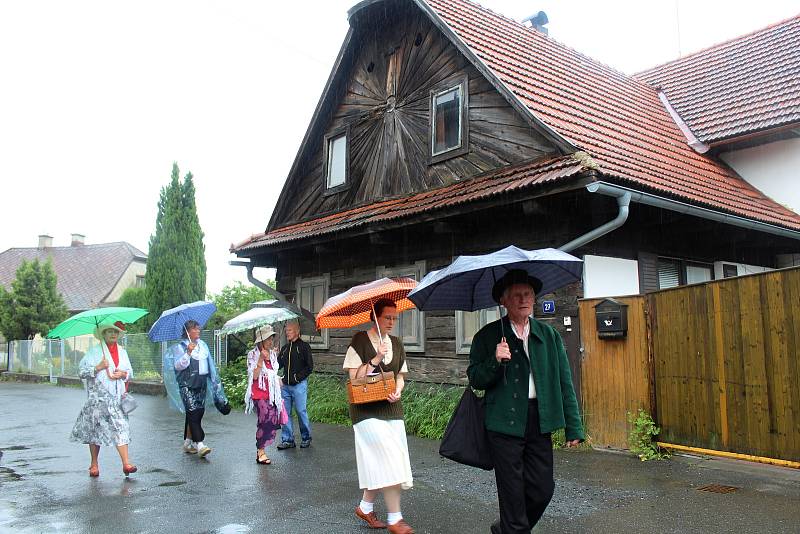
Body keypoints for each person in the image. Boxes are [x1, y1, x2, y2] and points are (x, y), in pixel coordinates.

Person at [468, 269, 585, 534]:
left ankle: (507, 529)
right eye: (517, 295)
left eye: (528, 294)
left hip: (539, 420)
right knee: (511, 494)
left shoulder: (549, 335)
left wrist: (573, 426)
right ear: (504, 301)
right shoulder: (487, 337)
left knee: (542, 490)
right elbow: (475, 378)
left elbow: (565, 382)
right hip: (504, 425)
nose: (524, 299)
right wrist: (494, 361)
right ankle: (513, 528)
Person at [343, 298, 414, 534]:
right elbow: (355, 378)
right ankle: (396, 519)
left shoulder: (397, 342)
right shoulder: (359, 341)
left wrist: (397, 390)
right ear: (375, 317)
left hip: (391, 409)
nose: (392, 322)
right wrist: (375, 358)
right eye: (387, 317)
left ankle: (365, 506)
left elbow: (400, 375)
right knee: (390, 458)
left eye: (395, 318)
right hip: (365, 411)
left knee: (384, 459)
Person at [70, 321, 137, 477]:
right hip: (98, 398)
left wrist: (123, 374)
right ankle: (94, 464)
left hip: (116, 397)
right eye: (109, 332)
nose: (113, 334)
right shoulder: (94, 352)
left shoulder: (122, 352)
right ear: (103, 335)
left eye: (115, 332)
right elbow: (81, 372)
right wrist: (97, 367)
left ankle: (126, 463)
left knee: (121, 427)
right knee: (96, 430)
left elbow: (130, 372)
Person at [167, 319, 227, 458]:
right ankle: (200, 444)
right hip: (187, 385)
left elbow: (209, 364)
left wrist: (215, 381)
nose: (198, 331)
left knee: (197, 412)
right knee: (193, 412)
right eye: (195, 329)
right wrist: (187, 353)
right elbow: (177, 366)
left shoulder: (203, 345)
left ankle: (188, 442)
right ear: (188, 331)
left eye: (198, 328)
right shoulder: (180, 347)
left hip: (201, 383)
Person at [244, 324, 284, 465]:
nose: (270, 341)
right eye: (268, 338)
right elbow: (254, 376)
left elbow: (273, 373)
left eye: (271, 338)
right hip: (258, 394)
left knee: (272, 421)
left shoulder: (272, 354)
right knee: (264, 421)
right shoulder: (252, 355)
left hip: (272, 394)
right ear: (261, 340)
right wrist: (261, 359)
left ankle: (261, 448)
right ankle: (260, 451)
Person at [276, 320, 313, 449]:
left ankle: (306, 437)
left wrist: (297, 378)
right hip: (285, 386)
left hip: (299, 385)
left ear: (297, 331)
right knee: (285, 412)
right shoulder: (285, 348)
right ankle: (288, 440)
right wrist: (275, 355)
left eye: (289, 330)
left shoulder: (304, 347)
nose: (287, 332)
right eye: (286, 330)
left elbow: (309, 367)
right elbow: (277, 365)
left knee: (301, 411)